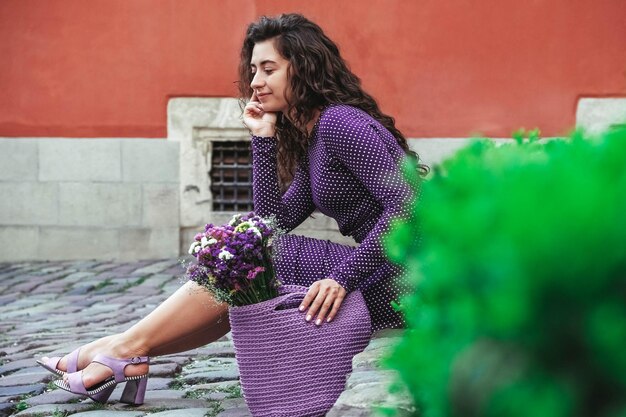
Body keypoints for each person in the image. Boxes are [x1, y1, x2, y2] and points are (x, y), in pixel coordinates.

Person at [38, 13, 425, 405]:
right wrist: (262, 139)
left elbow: (411, 206)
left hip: (415, 282)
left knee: (258, 259)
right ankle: (124, 350)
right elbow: (269, 225)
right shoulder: (315, 136)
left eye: (269, 69)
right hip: (387, 274)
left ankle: (117, 350)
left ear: (304, 68)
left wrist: (343, 277)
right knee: (250, 254)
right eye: (254, 69)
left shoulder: (342, 123)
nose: (255, 82)